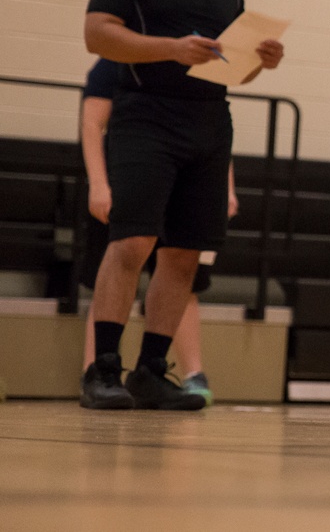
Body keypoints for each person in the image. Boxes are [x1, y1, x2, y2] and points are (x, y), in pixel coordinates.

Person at [80, 0, 284, 410]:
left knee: (186, 253)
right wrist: (170, 48)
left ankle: (150, 371)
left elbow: (230, 74)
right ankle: (102, 369)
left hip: (210, 124)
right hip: (145, 117)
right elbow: (97, 33)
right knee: (131, 243)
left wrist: (258, 64)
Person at [77, 60, 239, 407]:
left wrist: (227, 187)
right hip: (127, 178)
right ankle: (97, 370)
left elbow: (212, 133)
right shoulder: (119, 62)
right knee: (122, 263)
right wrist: (99, 184)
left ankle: (179, 372)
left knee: (183, 270)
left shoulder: (200, 64)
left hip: (185, 178)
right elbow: (92, 121)